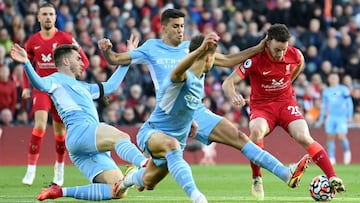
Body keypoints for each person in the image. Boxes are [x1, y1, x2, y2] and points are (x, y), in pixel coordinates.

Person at [98, 8, 310, 195]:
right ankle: (131, 179)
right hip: (169, 116)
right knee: (150, 181)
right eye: (175, 26)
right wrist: (107, 50)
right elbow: (116, 60)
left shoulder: (193, 47)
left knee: (238, 136)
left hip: (195, 110)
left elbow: (228, 60)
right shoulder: (151, 48)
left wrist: (258, 47)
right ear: (163, 27)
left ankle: (285, 173)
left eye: (182, 25)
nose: (180, 30)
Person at [222, 23, 346, 200]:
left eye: (284, 49)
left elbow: (299, 66)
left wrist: (287, 84)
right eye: (277, 49)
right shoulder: (255, 60)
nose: (280, 54)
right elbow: (228, 82)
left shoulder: (295, 55)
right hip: (262, 107)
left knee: (303, 135)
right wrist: (233, 95)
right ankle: (257, 178)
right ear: (268, 43)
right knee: (256, 132)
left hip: (285, 103)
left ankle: (332, 176)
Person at [10, 43, 149, 201]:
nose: (82, 62)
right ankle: (144, 164)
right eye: (78, 59)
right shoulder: (56, 80)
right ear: (67, 62)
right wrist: (27, 63)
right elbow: (39, 84)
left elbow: (110, 86)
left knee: (117, 190)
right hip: (82, 131)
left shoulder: (85, 87)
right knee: (121, 137)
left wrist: (127, 58)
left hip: (83, 146)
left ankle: (59, 192)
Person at [21, 2, 90, 186]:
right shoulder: (33, 41)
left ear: (55, 16)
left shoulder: (65, 38)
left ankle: (59, 169)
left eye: (51, 14)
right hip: (43, 87)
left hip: (61, 90)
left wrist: (73, 77)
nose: (48, 17)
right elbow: (26, 64)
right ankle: (31, 169)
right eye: (44, 14)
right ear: (38, 17)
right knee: (40, 125)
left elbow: (84, 60)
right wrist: (27, 86)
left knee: (60, 133)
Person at [316, 72, 353, 165]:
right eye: (332, 78)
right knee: (330, 138)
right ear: (329, 79)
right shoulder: (326, 91)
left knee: (341, 136)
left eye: (335, 78)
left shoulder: (343, 89)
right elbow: (324, 106)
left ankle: (347, 152)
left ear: (338, 79)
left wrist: (350, 116)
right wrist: (321, 119)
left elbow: (349, 102)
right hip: (331, 117)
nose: (333, 79)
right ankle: (332, 158)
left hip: (341, 117)